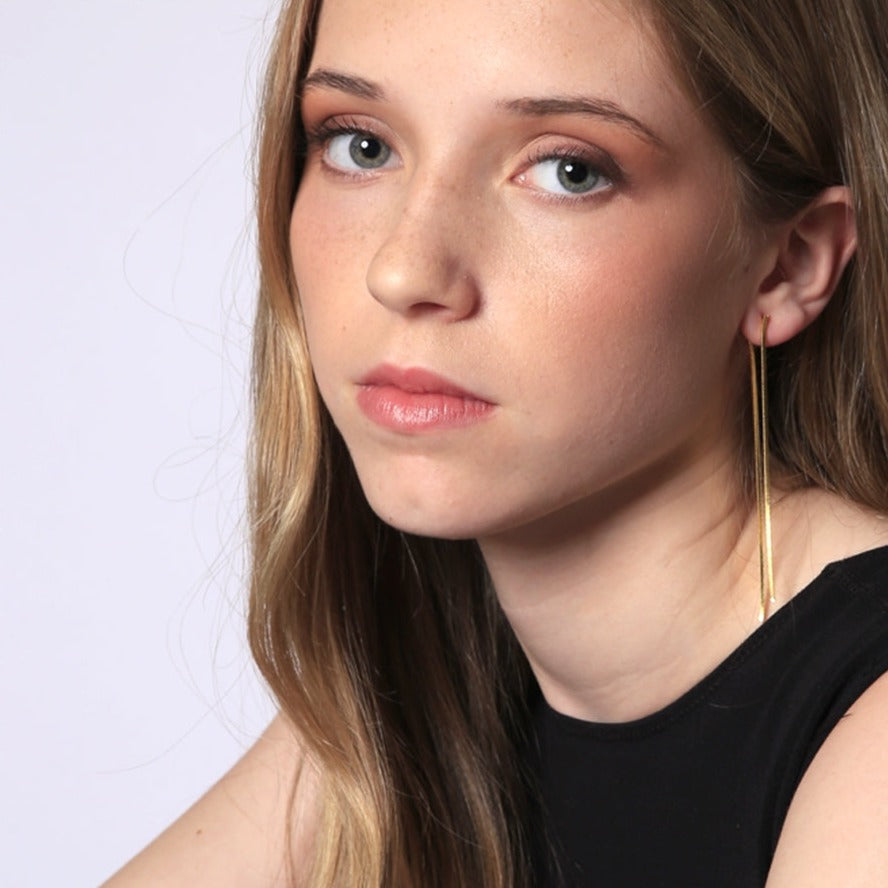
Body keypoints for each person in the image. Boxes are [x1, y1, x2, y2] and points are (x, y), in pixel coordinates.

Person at [103, 0, 888, 885]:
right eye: (362, 146)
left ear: (788, 265)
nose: (403, 269)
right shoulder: (429, 684)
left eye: (567, 170)